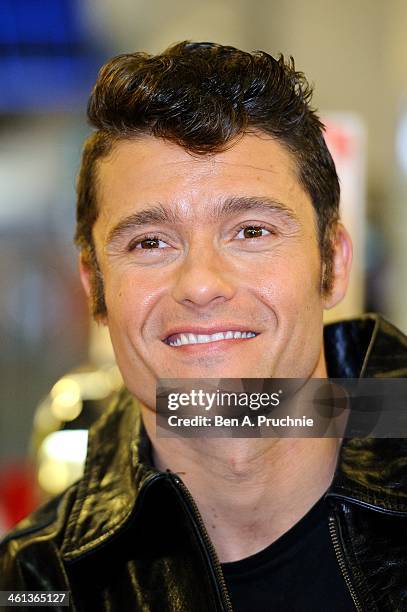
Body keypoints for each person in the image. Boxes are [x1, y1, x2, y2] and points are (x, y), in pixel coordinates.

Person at [1, 41, 406, 612]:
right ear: (95, 288)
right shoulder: (36, 584)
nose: (200, 283)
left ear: (333, 262)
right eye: (150, 242)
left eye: (252, 231)